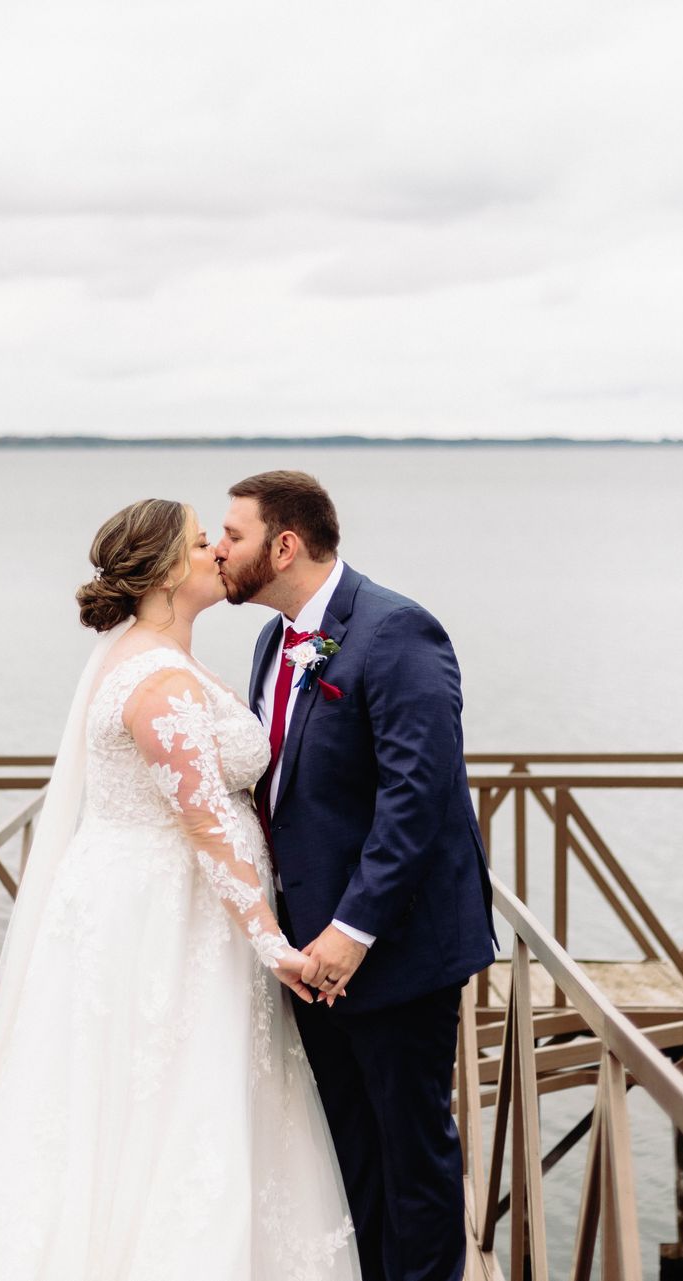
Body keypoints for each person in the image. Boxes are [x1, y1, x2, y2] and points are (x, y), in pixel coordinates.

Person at [0, 499, 360, 1280]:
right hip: (165, 922)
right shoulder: (156, 684)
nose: (217, 553)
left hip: (186, 912)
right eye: (205, 543)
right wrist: (273, 943)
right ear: (168, 569)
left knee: (185, 1106)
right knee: (166, 1107)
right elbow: (204, 823)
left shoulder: (164, 659)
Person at [216, 471, 495, 1281]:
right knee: (348, 1154)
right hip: (307, 955)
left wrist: (352, 929)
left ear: (285, 544)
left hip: (394, 949)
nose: (218, 549)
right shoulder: (273, 642)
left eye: (233, 535)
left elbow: (419, 793)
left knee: (412, 1155)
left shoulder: (398, 630)